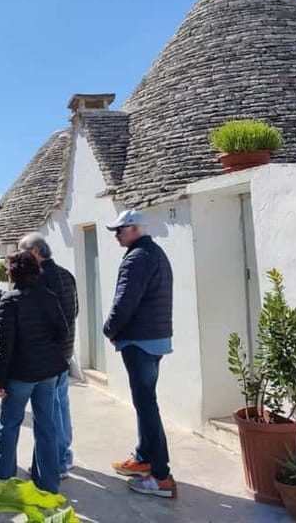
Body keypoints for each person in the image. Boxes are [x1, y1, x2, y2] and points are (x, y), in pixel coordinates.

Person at [103, 210, 176, 499]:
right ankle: (144, 457)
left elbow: (125, 301)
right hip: (155, 338)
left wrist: (109, 329)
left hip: (140, 340)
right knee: (145, 402)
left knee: (147, 406)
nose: (116, 235)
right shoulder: (155, 252)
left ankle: (161, 476)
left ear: (134, 229)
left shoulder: (137, 258)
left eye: (119, 230)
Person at [0, 251, 69, 494]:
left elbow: (4, 346)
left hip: (20, 373)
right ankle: (48, 484)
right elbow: (63, 333)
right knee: (46, 426)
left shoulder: (10, 301)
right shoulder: (49, 296)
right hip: (47, 372)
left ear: (13, 273)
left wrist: (0, 379)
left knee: (9, 425)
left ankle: (4, 483)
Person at [17, 232, 78, 480]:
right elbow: (75, 311)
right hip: (66, 350)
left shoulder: (39, 279)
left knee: (50, 411)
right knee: (61, 405)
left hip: (48, 354)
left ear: (35, 252)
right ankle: (65, 455)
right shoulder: (67, 274)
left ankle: (57, 462)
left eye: (23, 252)